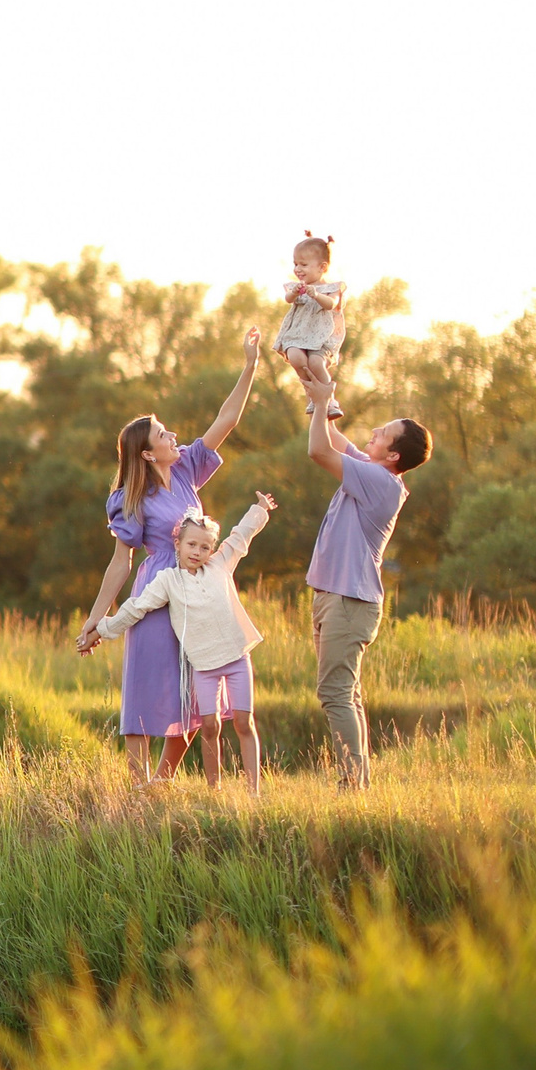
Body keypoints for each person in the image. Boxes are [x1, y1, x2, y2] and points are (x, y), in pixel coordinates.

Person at [77, 328, 263, 785]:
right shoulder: (127, 498)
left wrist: (250, 365)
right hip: (157, 590)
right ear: (146, 451)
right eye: (163, 433)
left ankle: (162, 782)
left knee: (194, 692)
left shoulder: (186, 470)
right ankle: (138, 783)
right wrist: (96, 618)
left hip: (201, 591)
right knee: (146, 686)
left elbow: (227, 421)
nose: (173, 434)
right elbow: (120, 564)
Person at [91, 492, 277, 796]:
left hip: (236, 657)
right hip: (203, 666)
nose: (198, 551)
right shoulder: (168, 581)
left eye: (205, 547)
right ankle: (214, 791)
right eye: (191, 544)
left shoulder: (218, 566)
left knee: (244, 721)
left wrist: (260, 508)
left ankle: (253, 791)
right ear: (177, 544)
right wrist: (104, 628)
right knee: (209, 725)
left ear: (211, 550)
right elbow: (137, 606)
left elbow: (240, 536)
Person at [296, 375, 431, 786]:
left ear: (392, 455)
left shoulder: (380, 481)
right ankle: (358, 780)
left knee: (336, 693)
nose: (373, 432)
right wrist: (319, 393)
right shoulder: (372, 471)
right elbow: (335, 439)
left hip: (348, 602)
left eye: (382, 433)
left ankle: (353, 785)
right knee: (346, 693)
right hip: (336, 598)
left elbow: (318, 448)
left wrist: (321, 406)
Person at [276, 232, 348, 419]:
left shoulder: (333, 288)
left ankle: (329, 398)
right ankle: (311, 395)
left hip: (321, 338)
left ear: (322, 267)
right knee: (296, 358)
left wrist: (315, 294)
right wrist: (294, 293)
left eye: (303, 264)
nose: (298, 269)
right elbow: (288, 299)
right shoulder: (296, 287)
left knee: (316, 362)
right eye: (295, 264)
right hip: (297, 335)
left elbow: (331, 304)